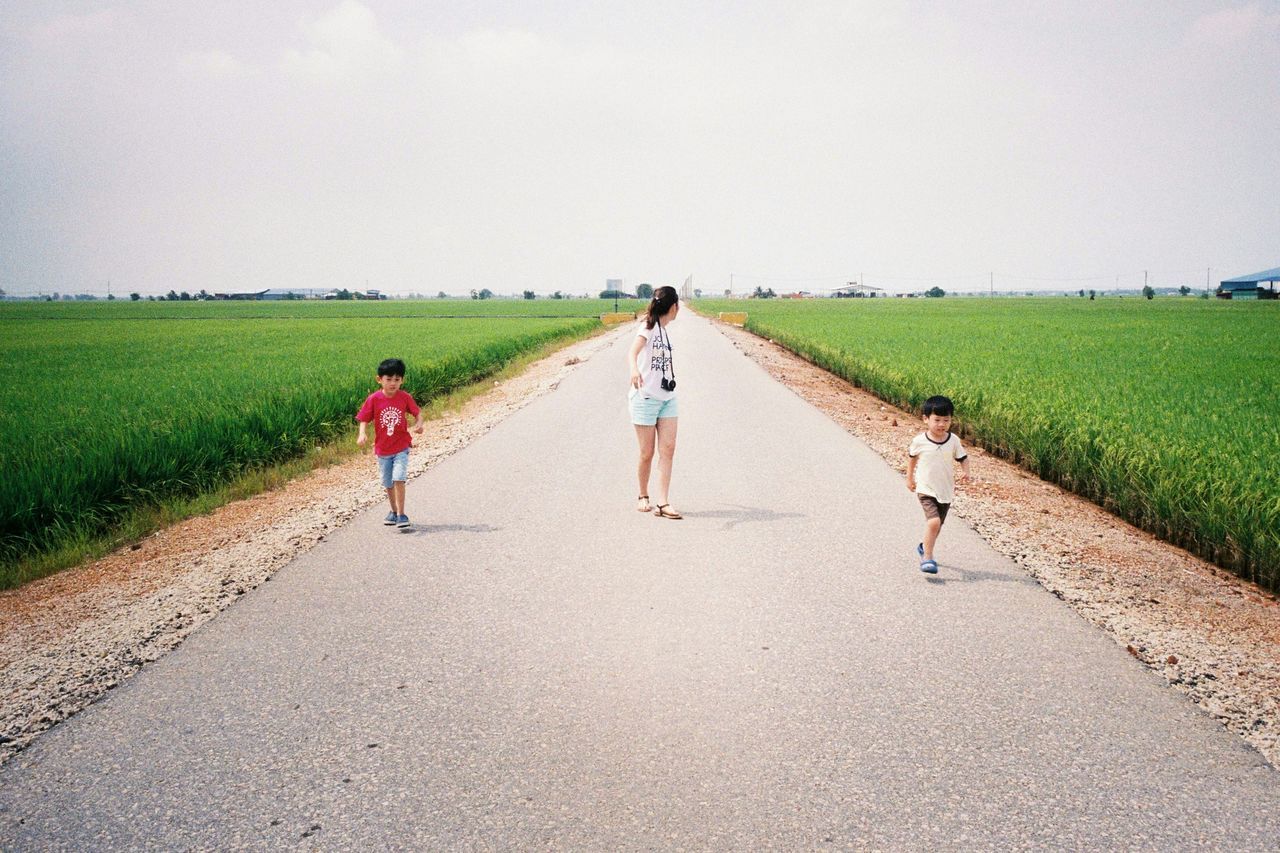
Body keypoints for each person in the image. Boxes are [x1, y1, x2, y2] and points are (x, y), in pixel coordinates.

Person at [628, 286, 682, 519]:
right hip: (645, 398)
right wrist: (633, 370)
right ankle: (643, 495)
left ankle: (663, 502)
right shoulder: (648, 327)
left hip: (667, 398)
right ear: (673, 307)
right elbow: (632, 352)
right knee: (647, 453)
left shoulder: (665, 330)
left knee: (668, 449)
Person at [356, 358, 425, 529]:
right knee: (388, 482)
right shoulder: (374, 399)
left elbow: (417, 413)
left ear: (402, 380)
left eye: (397, 379)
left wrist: (419, 424)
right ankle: (393, 512)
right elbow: (364, 418)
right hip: (383, 449)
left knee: (398, 478)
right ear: (379, 379)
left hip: (401, 446)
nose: (393, 383)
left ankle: (402, 515)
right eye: (389, 379)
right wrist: (362, 434)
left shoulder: (405, 397)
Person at [906, 395, 971, 573]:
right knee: (934, 522)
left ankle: (924, 546)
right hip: (925, 488)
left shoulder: (953, 440)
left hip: (945, 489)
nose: (941, 424)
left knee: (937, 526)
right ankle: (927, 558)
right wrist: (909, 478)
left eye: (946, 420)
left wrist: (966, 472)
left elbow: (963, 458)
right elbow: (912, 459)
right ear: (926, 419)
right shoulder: (920, 441)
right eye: (937, 420)